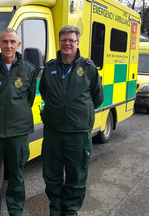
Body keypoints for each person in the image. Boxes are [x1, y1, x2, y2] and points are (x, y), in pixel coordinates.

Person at [39, 25, 104, 216]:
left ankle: (70, 212)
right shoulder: (49, 67)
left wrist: (78, 112)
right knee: (51, 175)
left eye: (71, 40)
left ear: (77, 43)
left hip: (79, 134)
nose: (67, 43)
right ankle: (56, 209)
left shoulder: (89, 67)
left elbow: (97, 97)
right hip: (53, 132)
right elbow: (44, 92)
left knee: (76, 176)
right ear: (59, 43)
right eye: (64, 40)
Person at [0, 28, 36, 216]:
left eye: (12, 42)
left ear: (18, 45)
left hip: (18, 132)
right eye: (4, 42)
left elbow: (29, 99)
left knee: (17, 177)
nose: (9, 45)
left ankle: (16, 212)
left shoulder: (29, 70)